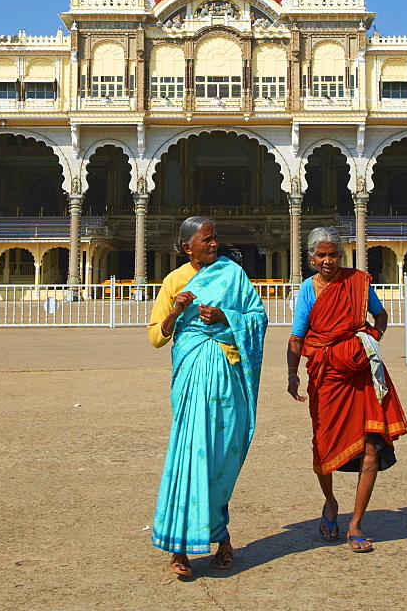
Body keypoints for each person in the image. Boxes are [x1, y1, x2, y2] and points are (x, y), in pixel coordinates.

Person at [148, 216, 268, 577]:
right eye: (207, 239)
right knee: (189, 455)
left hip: (227, 378)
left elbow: (258, 319)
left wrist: (225, 317)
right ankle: (179, 548)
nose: (214, 244)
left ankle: (222, 536)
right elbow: (156, 337)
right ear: (187, 247)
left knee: (220, 459)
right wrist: (175, 312)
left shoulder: (233, 274)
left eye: (216, 238)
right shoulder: (173, 281)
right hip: (191, 376)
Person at [287, 226, 407, 552]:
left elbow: (380, 315)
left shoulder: (357, 282)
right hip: (327, 375)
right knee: (324, 446)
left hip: (361, 371)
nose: (328, 260)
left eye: (333, 254)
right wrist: (292, 374)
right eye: (321, 255)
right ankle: (330, 502)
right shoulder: (309, 289)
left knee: (371, 444)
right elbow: (298, 335)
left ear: (341, 254)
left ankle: (356, 523)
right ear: (311, 258)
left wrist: (371, 339)